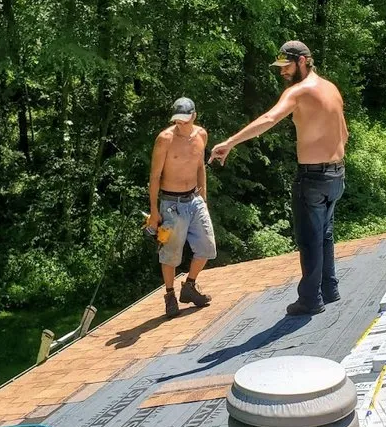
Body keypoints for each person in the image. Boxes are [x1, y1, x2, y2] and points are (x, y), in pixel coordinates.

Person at [210, 40, 347, 315]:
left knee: (310, 239)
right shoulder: (331, 88)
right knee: (325, 235)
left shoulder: (298, 91)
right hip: (337, 174)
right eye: (280, 67)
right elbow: (344, 132)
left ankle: (310, 299)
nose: (282, 71)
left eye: (287, 66)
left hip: (313, 177)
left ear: (303, 61)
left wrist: (231, 142)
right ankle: (329, 288)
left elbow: (269, 119)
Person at [147, 97, 217, 318]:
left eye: (185, 120)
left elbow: (200, 166)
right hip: (171, 204)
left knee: (207, 247)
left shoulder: (201, 135)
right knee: (170, 254)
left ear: (194, 116)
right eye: (177, 120)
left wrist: (203, 196)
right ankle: (170, 295)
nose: (181, 124)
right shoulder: (165, 139)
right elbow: (155, 176)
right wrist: (154, 211)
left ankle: (190, 286)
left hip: (194, 199)